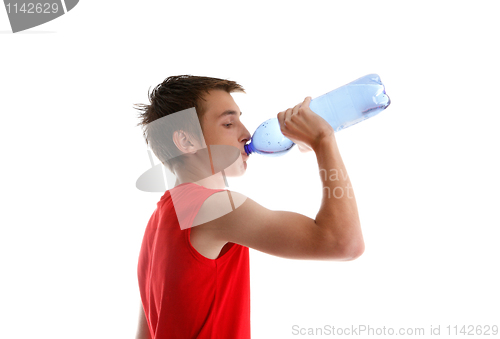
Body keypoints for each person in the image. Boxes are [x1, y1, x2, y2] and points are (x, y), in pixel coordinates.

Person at [134, 75, 364, 339]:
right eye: (229, 123)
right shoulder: (214, 206)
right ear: (186, 142)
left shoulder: (159, 219)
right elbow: (344, 243)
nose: (246, 134)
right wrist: (324, 141)